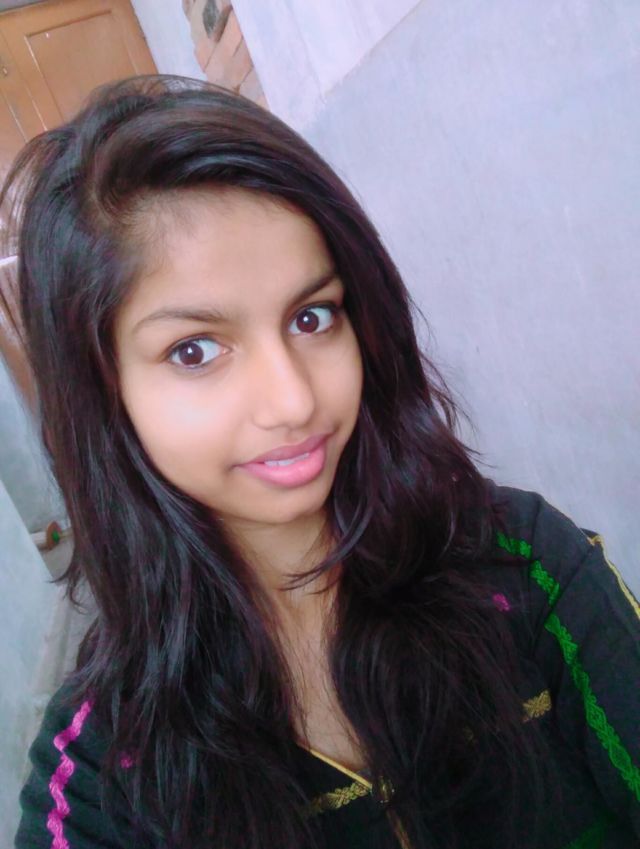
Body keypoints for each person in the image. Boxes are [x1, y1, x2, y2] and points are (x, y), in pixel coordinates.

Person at [4, 75, 638, 849]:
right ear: (104, 391)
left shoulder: (524, 567)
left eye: (312, 317)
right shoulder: (104, 768)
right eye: (194, 350)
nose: (293, 399)